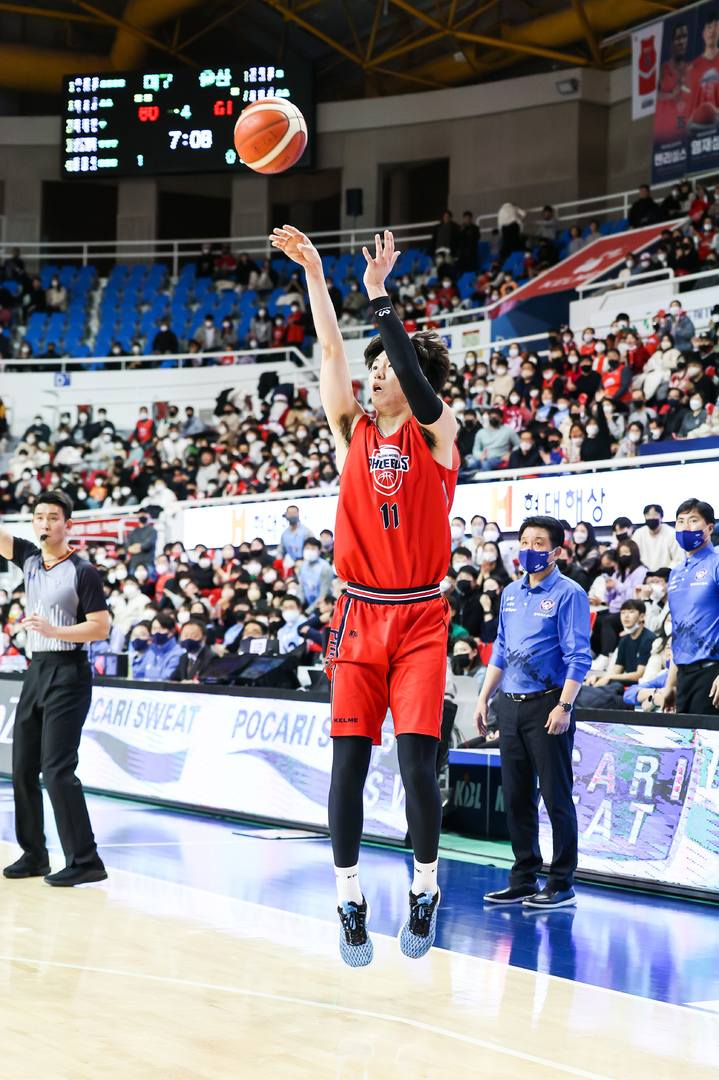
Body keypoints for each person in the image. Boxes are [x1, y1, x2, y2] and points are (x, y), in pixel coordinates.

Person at [271, 224, 458, 965]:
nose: (374, 375)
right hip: (356, 613)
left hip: (418, 617)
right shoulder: (350, 430)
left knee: (416, 762)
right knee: (347, 764)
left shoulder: (439, 433)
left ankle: (424, 884)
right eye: (374, 367)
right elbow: (329, 354)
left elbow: (414, 377)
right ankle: (348, 896)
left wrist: (380, 298)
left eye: (385, 367)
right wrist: (317, 275)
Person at [476, 515, 591, 910]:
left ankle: (561, 883)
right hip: (509, 705)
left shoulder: (569, 593)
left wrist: (564, 705)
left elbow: (579, 656)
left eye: (539, 543)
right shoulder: (509, 592)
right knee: (517, 797)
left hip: (549, 704)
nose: (530, 549)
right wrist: (483, 697)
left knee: (556, 795)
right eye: (525, 541)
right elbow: (500, 650)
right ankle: (524, 877)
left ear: (556, 551)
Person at [0, 490, 110, 886]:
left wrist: (54, 630)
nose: (45, 523)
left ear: (68, 525)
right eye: (39, 516)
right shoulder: (29, 558)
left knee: (57, 769)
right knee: (23, 767)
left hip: (69, 671)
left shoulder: (83, 571)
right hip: (37, 669)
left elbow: (101, 626)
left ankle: (86, 860)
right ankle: (34, 855)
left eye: (53, 517)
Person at [656, 499, 719, 715]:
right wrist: (670, 684)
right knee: (687, 749)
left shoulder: (716, 564)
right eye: (680, 522)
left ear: (710, 528)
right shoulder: (675, 574)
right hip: (683, 679)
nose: (685, 527)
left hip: (712, 674)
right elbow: (678, 632)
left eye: (693, 521)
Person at [580, 600, 656, 706]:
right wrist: (598, 677)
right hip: (621, 683)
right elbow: (616, 670)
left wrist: (609, 678)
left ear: (642, 616)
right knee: (585, 688)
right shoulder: (624, 639)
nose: (625, 616)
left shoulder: (649, 638)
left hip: (638, 686)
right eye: (623, 613)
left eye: (630, 612)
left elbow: (639, 674)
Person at [132, 612, 184, 680]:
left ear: (172, 631)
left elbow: (167, 677)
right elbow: (138, 673)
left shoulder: (177, 653)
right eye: (154, 629)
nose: (157, 632)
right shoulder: (150, 649)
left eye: (161, 628)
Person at [631, 504, 683, 570]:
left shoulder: (671, 533)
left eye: (655, 514)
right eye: (648, 515)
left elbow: (678, 560)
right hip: (644, 575)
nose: (651, 518)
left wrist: (665, 572)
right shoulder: (638, 534)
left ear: (661, 517)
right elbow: (633, 558)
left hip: (666, 575)